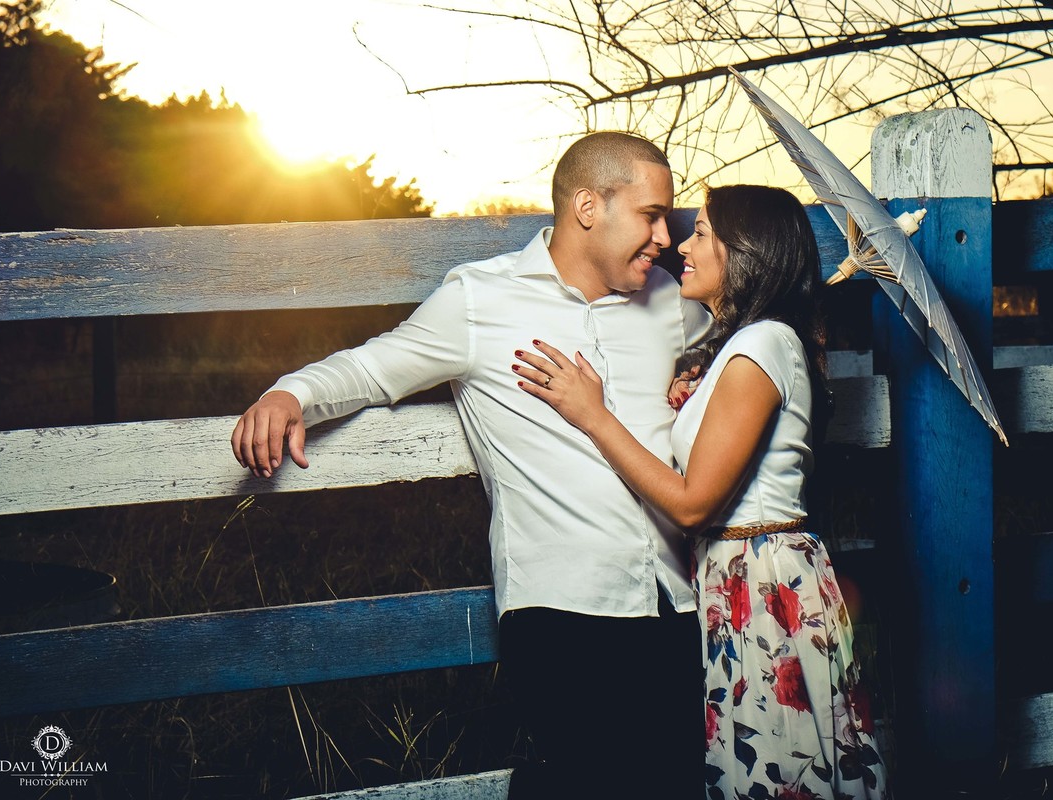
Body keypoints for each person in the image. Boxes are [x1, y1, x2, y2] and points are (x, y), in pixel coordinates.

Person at [230, 132, 712, 800]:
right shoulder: (482, 300)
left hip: (678, 603)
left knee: (678, 785)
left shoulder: (673, 303)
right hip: (563, 609)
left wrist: (701, 376)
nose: (665, 234)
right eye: (650, 214)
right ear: (586, 207)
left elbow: (734, 359)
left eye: (670, 217)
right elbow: (374, 366)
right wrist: (291, 394)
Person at [512, 184, 890, 799]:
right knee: (761, 768)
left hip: (765, 586)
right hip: (735, 581)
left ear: (747, 255)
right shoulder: (744, 347)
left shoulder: (764, 342)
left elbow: (693, 503)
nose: (682, 245)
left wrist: (592, 414)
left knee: (781, 773)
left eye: (703, 233)